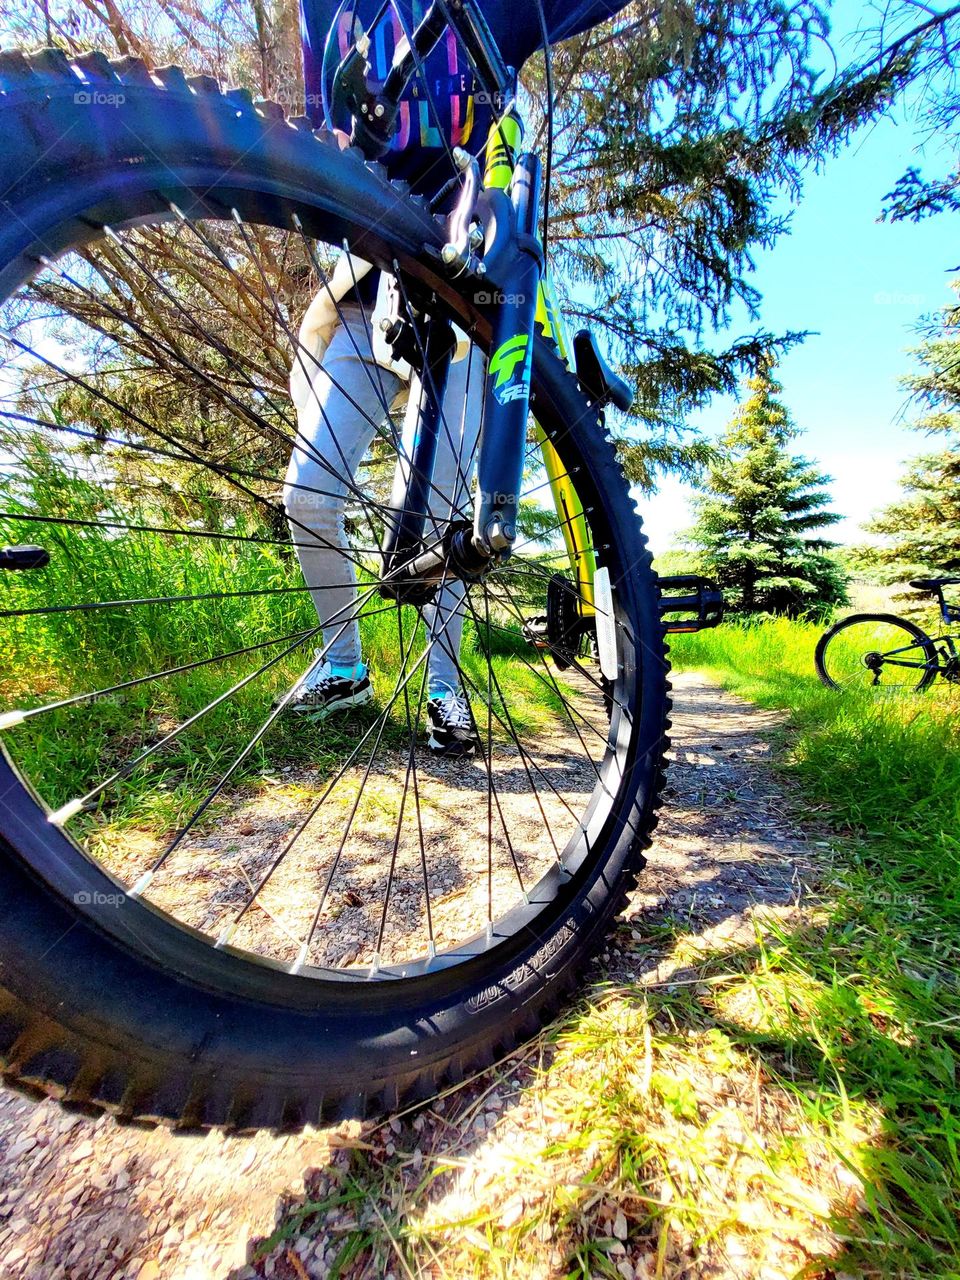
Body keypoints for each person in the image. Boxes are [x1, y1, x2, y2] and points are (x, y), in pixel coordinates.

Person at [286, 0, 630, 755]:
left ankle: (445, 687)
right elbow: (326, 129)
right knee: (309, 490)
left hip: (466, 283)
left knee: (446, 514)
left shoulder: (497, 8)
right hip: (366, 272)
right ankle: (343, 664)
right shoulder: (326, 9)